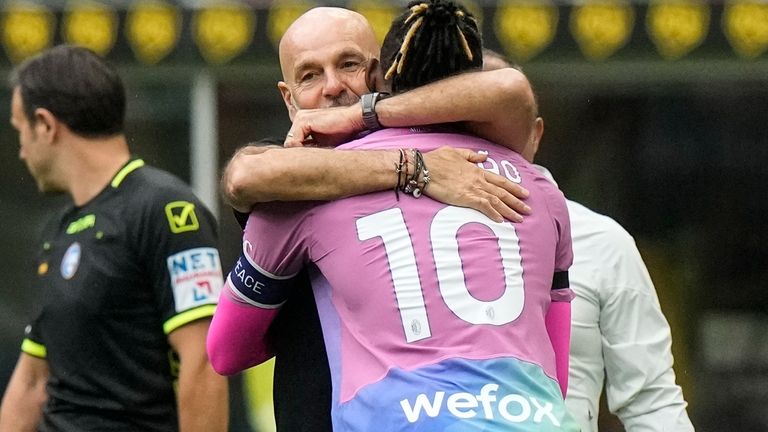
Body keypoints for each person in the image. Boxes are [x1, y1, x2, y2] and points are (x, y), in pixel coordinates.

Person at [208, 1, 578, 430]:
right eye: (310, 74)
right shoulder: (541, 189)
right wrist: (412, 168)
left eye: (348, 64)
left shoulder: (292, 205)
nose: (332, 87)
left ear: (378, 73)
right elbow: (556, 372)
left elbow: (225, 351)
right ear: (288, 98)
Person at [0, 45, 228, 431]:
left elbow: (202, 361)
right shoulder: (57, 232)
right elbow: (33, 380)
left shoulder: (168, 211)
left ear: (45, 124)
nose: (20, 151)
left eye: (20, 130)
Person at [481, 49, 695, 431]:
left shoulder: (603, 242)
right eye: (468, 124)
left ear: (536, 134)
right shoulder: (396, 237)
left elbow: (652, 402)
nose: (485, 142)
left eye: (501, 122)